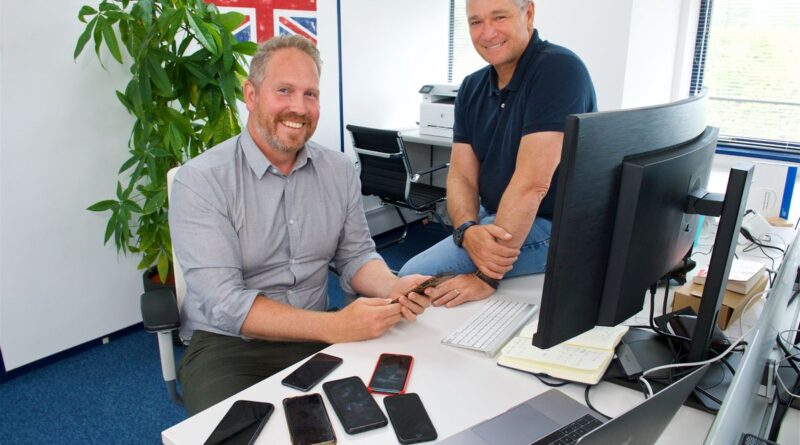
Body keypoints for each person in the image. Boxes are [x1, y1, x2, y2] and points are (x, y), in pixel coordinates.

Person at [169, 35, 431, 415]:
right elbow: (225, 304)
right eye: (284, 90)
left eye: (310, 94)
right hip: (230, 346)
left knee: (383, 415)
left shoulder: (339, 170)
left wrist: (395, 286)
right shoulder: (202, 181)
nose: (299, 107)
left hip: (318, 333)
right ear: (251, 94)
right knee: (233, 434)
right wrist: (336, 327)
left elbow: (357, 255)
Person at [399, 0, 596, 307]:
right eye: (476, 22)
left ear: (528, 14)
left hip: (555, 226)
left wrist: (486, 277)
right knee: (418, 284)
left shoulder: (559, 70)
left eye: (499, 17)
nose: (487, 33)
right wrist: (466, 229)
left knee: (412, 276)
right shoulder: (471, 86)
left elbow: (533, 184)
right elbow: (461, 176)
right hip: (493, 217)